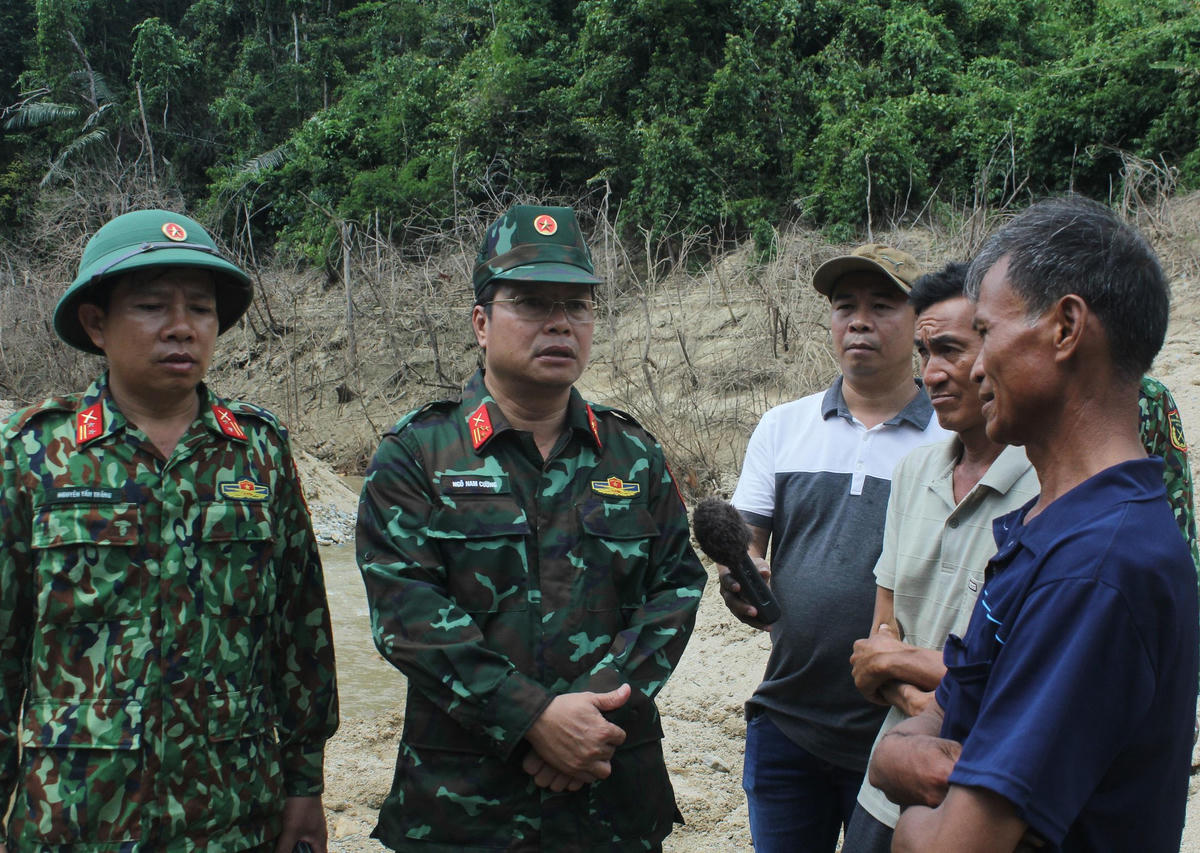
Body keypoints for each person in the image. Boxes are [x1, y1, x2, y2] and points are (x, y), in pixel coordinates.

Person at [356, 204, 705, 850]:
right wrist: (533, 717)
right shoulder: (419, 452)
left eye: (577, 306)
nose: (559, 323)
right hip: (462, 807)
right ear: (482, 323)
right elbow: (404, 613)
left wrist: (594, 710)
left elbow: (677, 589)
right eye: (533, 303)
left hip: (607, 793)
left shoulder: (634, 456)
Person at [0, 209, 339, 851]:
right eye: (152, 306)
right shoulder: (32, 454)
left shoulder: (259, 453)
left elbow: (301, 636)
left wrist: (306, 787)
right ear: (96, 323)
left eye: (201, 310)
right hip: (74, 818)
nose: (182, 328)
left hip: (233, 813)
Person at [869, 197, 1200, 852]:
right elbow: (925, 726)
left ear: (1066, 327)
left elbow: (947, 847)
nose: (975, 366)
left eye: (986, 333)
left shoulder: (1098, 566)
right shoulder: (1046, 527)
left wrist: (910, 816)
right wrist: (892, 759)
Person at [720, 244, 949, 852]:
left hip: (902, 725)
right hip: (787, 717)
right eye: (845, 306)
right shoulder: (782, 426)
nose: (859, 321)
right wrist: (740, 575)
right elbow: (748, 541)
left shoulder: (951, 436)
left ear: (920, 321)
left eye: (882, 305)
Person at [843, 262, 1038, 853]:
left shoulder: (1046, 486)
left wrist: (899, 665)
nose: (932, 373)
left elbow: (1023, 679)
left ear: (995, 346)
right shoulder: (915, 472)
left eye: (951, 349)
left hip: (982, 797)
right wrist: (919, 689)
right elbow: (880, 632)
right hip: (886, 781)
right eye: (925, 352)